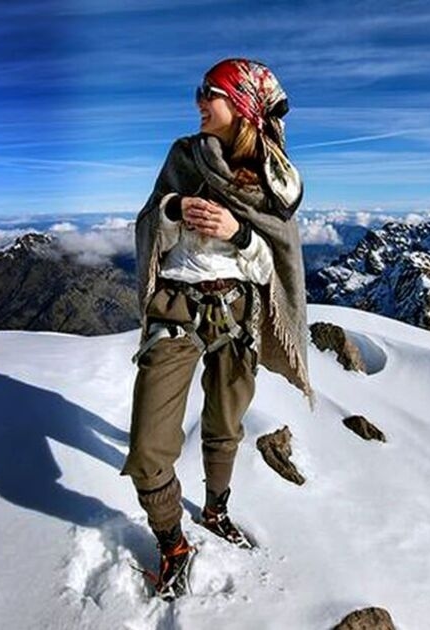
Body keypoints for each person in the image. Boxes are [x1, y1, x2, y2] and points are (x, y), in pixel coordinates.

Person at [125, 58, 314, 599]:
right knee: (148, 447)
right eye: (199, 93)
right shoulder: (184, 157)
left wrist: (240, 235)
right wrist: (173, 207)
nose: (198, 102)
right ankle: (172, 544)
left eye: (209, 93)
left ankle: (215, 509)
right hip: (177, 309)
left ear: (243, 103)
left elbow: (275, 263)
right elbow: (147, 221)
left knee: (225, 424)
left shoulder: (276, 181)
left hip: (238, 314)